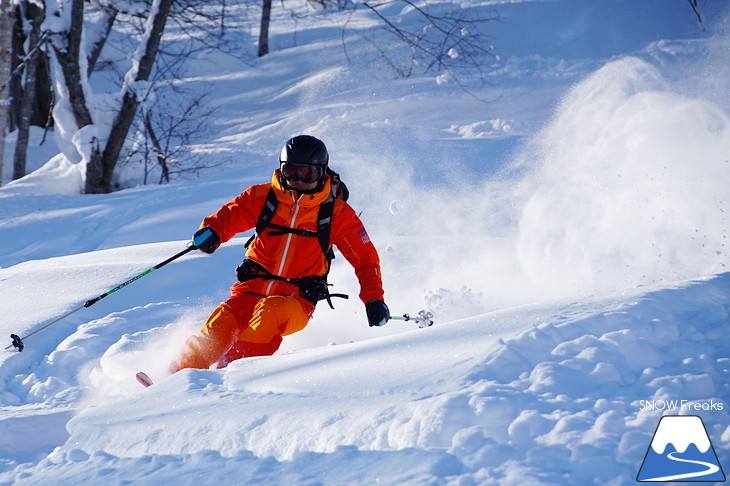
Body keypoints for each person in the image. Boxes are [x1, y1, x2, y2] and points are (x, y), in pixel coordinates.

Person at [169, 135, 390, 372]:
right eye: (291, 172)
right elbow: (228, 216)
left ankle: (226, 375)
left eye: (308, 174)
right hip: (249, 291)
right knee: (221, 322)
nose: (299, 180)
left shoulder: (336, 213)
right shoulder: (263, 197)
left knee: (270, 313)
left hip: (296, 300)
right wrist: (211, 232)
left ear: (321, 172)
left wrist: (373, 298)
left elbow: (365, 259)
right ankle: (175, 378)